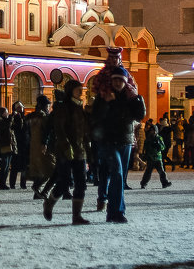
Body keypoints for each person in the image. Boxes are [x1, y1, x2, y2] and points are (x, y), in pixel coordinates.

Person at [91, 66, 146, 223]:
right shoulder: (104, 96)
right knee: (117, 173)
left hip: (126, 140)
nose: (117, 82)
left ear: (124, 81)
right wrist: (107, 103)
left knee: (119, 178)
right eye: (115, 79)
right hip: (108, 141)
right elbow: (95, 117)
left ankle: (114, 211)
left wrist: (137, 98)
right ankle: (117, 212)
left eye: (120, 80)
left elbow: (140, 114)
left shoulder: (130, 97)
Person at [43, 81, 90, 225]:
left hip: (80, 150)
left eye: (81, 89)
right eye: (77, 90)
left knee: (81, 183)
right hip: (65, 150)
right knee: (64, 183)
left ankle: (77, 216)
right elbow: (59, 128)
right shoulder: (64, 107)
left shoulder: (80, 107)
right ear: (70, 90)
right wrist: (65, 145)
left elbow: (84, 130)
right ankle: (49, 203)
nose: (81, 92)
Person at [27, 95, 55, 199]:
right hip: (44, 146)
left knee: (41, 169)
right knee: (52, 169)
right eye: (48, 105)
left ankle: (37, 193)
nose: (49, 107)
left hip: (34, 146)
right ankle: (37, 186)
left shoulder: (33, 116)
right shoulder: (44, 117)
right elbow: (46, 132)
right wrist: (45, 143)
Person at [140, 124, 172, 189]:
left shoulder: (159, 138)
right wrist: (145, 155)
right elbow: (146, 148)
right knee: (148, 172)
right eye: (151, 130)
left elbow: (163, 147)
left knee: (161, 172)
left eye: (154, 130)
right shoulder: (148, 139)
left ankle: (164, 182)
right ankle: (143, 183)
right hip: (150, 158)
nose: (152, 132)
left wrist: (158, 145)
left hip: (158, 158)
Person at [9, 102, 30, 189]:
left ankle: (23, 184)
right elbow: (10, 127)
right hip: (16, 145)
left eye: (21, 107)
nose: (20, 108)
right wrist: (13, 117)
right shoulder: (13, 118)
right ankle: (12, 184)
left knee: (25, 166)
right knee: (14, 166)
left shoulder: (26, 118)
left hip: (25, 145)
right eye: (18, 107)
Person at [0, 107, 16, 190]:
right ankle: (2, 184)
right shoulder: (0, 121)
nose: (7, 114)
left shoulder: (6, 120)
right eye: (6, 112)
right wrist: (11, 117)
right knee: (4, 165)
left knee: (7, 166)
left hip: (9, 144)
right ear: (2, 113)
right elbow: (7, 127)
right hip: (4, 145)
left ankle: (3, 183)